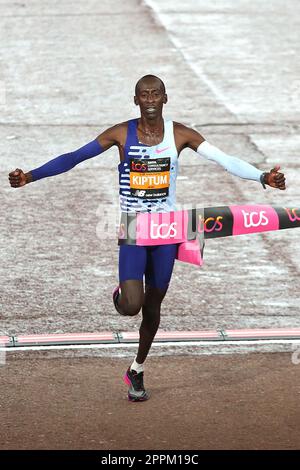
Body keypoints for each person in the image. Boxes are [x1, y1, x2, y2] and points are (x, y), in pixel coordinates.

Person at [8, 74, 286, 402]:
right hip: (134, 229)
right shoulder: (120, 134)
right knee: (131, 306)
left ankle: (137, 369)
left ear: (165, 98)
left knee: (152, 307)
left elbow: (224, 159)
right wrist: (30, 176)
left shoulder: (179, 134)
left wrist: (261, 177)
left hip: (168, 231)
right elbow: (74, 157)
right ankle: (122, 295)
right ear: (136, 100)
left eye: (156, 94)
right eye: (144, 95)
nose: (151, 100)